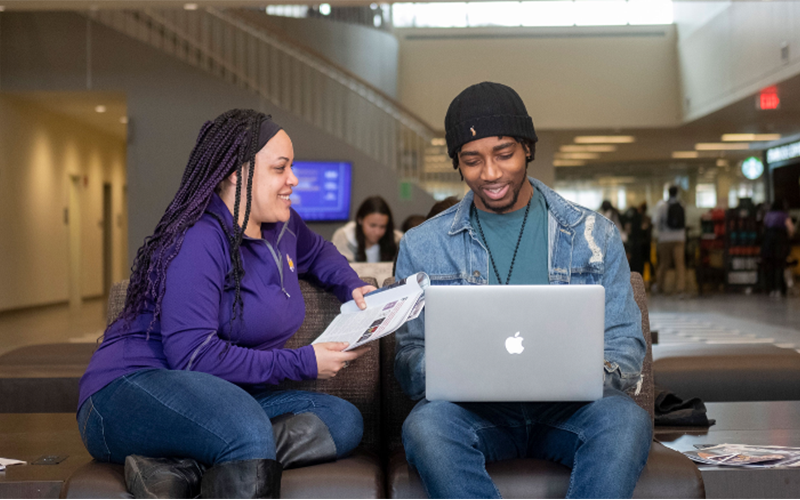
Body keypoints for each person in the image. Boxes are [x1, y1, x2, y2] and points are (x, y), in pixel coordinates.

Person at [77, 110, 376, 500]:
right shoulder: (198, 239)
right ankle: (232, 446)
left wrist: (351, 285)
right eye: (280, 168)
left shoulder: (282, 225)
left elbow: (319, 253)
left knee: (341, 420)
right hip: (131, 391)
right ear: (237, 172)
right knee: (246, 430)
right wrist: (303, 361)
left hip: (224, 394)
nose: (294, 179)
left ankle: (184, 467)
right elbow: (195, 357)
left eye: (292, 167)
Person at [394, 82, 651, 499]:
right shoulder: (422, 245)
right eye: (472, 160)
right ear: (458, 164)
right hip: (475, 415)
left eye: (505, 154)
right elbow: (408, 357)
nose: (491, 174)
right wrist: (455, 372)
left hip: (570, 413)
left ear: (528, 148)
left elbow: (625, 343)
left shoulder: (593, 235)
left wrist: (581, 373)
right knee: (425, 427)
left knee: (626, 422)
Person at [332, 196, 403, 263]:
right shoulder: (344, 238)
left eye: (382, 227)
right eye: (372, 225)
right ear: (360, 220)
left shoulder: (398, 240)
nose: (377, 232)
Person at [655, 186, 687, 296]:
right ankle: (680, 288)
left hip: (665, 239)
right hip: (679, 238)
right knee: (680, 264)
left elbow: (657, 222)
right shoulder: (682, 204)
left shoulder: (662, 205)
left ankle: (660, 286)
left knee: (664, 263)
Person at [762, 200, 796, 298]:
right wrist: (789, 236)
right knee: (780, 266)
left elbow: (764, 226)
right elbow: (791, 229)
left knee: (770, 266)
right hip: (780, 242)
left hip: (768, 242)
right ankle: (780, 289)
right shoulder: (784, 215)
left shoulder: (768, 215)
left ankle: (771, 289)